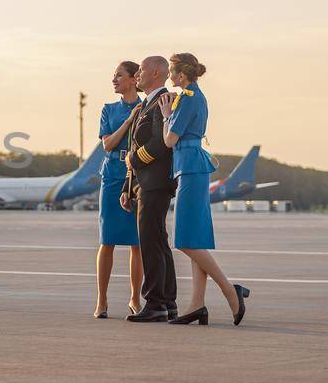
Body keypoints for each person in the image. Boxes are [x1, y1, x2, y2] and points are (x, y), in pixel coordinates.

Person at [153, 52, 251, 326]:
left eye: (171, 72)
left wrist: (165, 115)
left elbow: (170, 140)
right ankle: (197, 305)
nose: (169, 77)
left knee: (184, 240)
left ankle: (231, 291)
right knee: (194, 239)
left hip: (191, 168)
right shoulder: (191, 96)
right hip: (190, 168)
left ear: (182, 75)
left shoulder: (188, 99)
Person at [123, 56, 180, 322]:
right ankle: (167, 302)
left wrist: (134, 160)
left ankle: (155, 303)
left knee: (150, 243)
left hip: (156, 182)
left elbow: (161, 143)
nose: (138, 75)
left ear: (156, 73)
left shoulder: (163, 100)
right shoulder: (146, 104)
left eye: (142, 70)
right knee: (157, 241)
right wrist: (128, 185)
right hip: (144, 182)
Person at [92, 61, 145, 319]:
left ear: (134, 79)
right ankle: (102, 300)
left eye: (119, 76)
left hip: (137, 176)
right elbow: (108, 144)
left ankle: (135, 297)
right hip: (112, 175)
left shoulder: (148, 106)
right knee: (108, 239)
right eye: (113, 76)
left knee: (137, 242)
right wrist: (127, 122)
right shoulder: (109, 109)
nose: (114, 80)